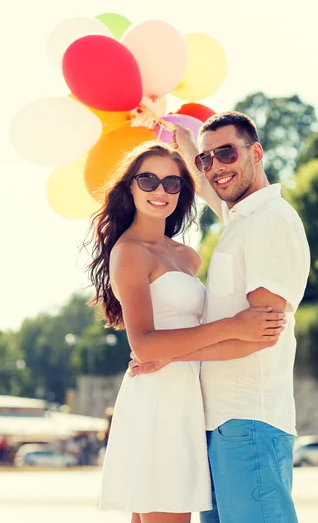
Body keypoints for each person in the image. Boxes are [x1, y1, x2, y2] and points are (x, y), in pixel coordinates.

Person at [84, 141, 286, 523]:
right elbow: (143, 345)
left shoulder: (185, 256)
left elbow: (240, 206)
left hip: (186, 396)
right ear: (130, 186)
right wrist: (234, 326)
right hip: (158, 398)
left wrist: (190, 143)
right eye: (148, 180)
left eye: (172, 183)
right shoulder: (129, 252)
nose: (160, 191)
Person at [129, 113, 310, 523]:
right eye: (206, 160)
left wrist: (172, 354)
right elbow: (214, 190)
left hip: (249, 421)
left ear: (256, 153)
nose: (215, 167)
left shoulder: (271, 221)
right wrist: (184, 142)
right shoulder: (241, 220)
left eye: (226, 153)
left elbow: (260, 333)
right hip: (219, 423)